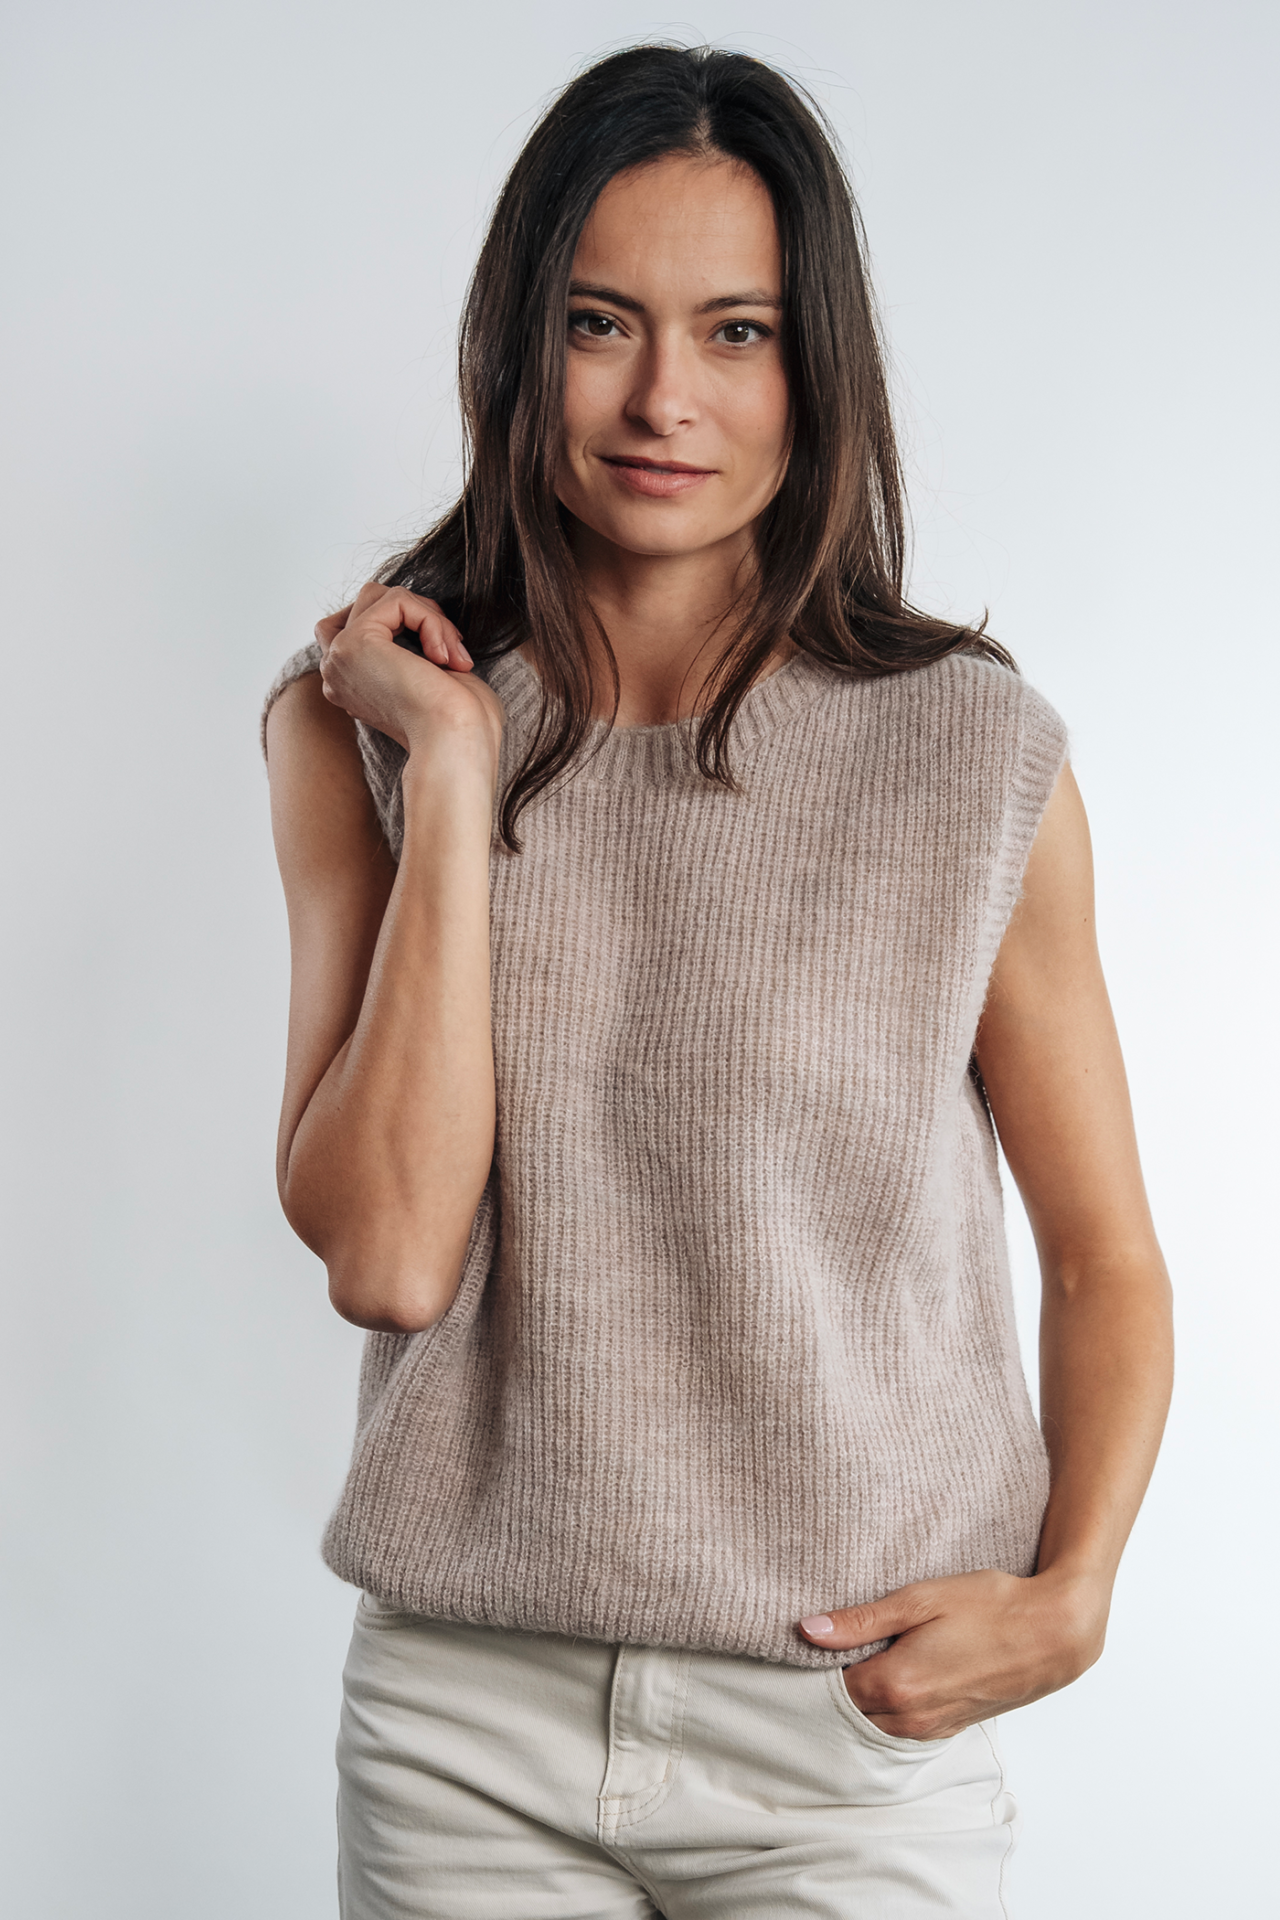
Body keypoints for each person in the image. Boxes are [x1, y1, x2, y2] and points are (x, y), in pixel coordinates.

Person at [262, 43, 1172, 1920]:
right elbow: (389, 1259)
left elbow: (1104, 1257)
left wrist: (1075, 1595)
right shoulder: (363, 729)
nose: (663, 397)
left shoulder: (970, 758)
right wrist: (457, 772)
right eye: (599, 323)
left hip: (847, 1728)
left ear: (812, 367)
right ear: (518, 347)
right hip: (467, 1728)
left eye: (736, 332)